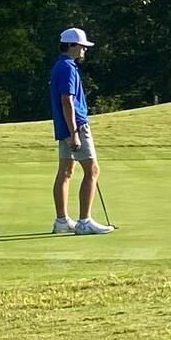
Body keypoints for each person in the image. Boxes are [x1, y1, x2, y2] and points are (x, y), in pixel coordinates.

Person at [50, 28, 114, 234]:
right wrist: (75, 132)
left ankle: (62, 222)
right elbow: (67, 100)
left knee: (66, 171)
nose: (85, 49)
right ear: (71, 46)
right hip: (74, 125)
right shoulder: (67, 67)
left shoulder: (60, 65)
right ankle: (84, 221)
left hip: (63, 127)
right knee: (92, 170)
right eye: (82, 46)